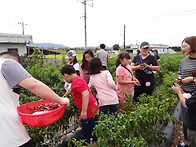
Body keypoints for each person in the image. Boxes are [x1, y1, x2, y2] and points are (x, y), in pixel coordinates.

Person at [0, 51, 70, 147]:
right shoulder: (7, 63)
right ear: (16, 62)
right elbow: (33, 85)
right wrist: (61, 100)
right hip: (11, 134)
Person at [60, 64, 99, 143]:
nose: (64, 79)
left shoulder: (77, 82)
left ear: (66, 75)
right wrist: (63, 97)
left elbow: (86, 93)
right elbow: (71, 88)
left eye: (63, 77)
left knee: (90, 134)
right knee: (90, 131)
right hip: (91, 108)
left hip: (89, 111)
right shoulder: (77, 79)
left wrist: (84, 112)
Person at [175, 36, 196, 147]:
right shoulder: (183, 61)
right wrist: (179, 81)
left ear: (193, 45)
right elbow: (180, 73)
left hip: (195, 95)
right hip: (185, 94)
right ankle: (187, 142)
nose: (183, 48)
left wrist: (191, 79)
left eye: (185, 46)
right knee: (187, 121)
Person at [172, 68, 196, 147]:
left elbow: (187, 104)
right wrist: (182, 91)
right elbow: (192, 98)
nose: (194, 80)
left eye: (195, 78)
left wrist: (178, 92)